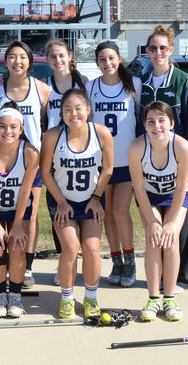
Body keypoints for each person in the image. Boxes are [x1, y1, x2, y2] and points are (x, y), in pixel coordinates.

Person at [138, 25, 188, 291]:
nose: (157, 53)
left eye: (162, 48)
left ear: (171, 50)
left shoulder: (185, 83)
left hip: (180, 164)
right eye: (153, 48)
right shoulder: (141, 83)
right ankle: (159, 278)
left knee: (179, 226)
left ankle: (180, 279)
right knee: (155, 227)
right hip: (151, 166)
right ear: (146, 51)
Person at [40, 89, 113, 319]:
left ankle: (90, 297)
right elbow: (44, 172)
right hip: (62, 199)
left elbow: (108, 169)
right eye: (67, 109)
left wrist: (96, 198)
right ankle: (67, 297)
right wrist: (61, 202)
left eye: (78, 108)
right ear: (61, 113)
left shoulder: (101, 133)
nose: (73, 113)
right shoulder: (53, 136)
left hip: (92, 200)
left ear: (88, 110)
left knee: (92, 248)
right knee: (70, 247)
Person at [0, 41, 49, 290]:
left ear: (30, 61)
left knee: (29, 216)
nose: (17, 62)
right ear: (5, 61)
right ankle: (1, 263)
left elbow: (44, 123)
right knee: (0, 214)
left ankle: (28, 266)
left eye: (22, 57)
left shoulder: (42, 89)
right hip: (1, 162)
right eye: (12, 57)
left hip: (30, 161)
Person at [129, 101, 188, 322]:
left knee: (171, 238)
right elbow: (138, 187)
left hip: (177, 195)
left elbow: (182, 187)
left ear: (172, 123)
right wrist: (154, 222)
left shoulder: (182, 146)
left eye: (162, 120)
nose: (157, 126)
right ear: (144, 126)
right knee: (153, 238)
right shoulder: (137, 147)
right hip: (150, 197)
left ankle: (170, 297)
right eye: (151, 122)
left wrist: (170, 222)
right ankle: (153, 298)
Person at [0, 102, 39, 318]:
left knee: (18, 247)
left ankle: (16, 297)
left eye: (13, 127)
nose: (8, 131)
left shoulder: (30, 153)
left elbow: (24, 193)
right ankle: (0, 295)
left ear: (21, 129)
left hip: (18, 209)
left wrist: (19, 225)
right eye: (2, 126)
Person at [87, 41, 142, 287]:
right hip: (101, 163)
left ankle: (130, 261)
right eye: (102, 59)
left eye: (111, 58)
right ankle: (117, 260)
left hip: (127, 161)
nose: (107, 63)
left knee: (120, 211)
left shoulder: (134, 85)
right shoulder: (91, 87)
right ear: (97, 62)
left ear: (119, 59)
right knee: (107, 213)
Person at [44, 39, 87, 285]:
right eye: (53, 57)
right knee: (58, 211)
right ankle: (64, 261)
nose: (58, 60)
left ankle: (80, 260)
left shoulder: (84, 85)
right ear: (48, 60)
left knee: (81, 210)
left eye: (61, 55)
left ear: (70, 57)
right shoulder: (44, 87)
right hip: (55, 153)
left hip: (82, 153)